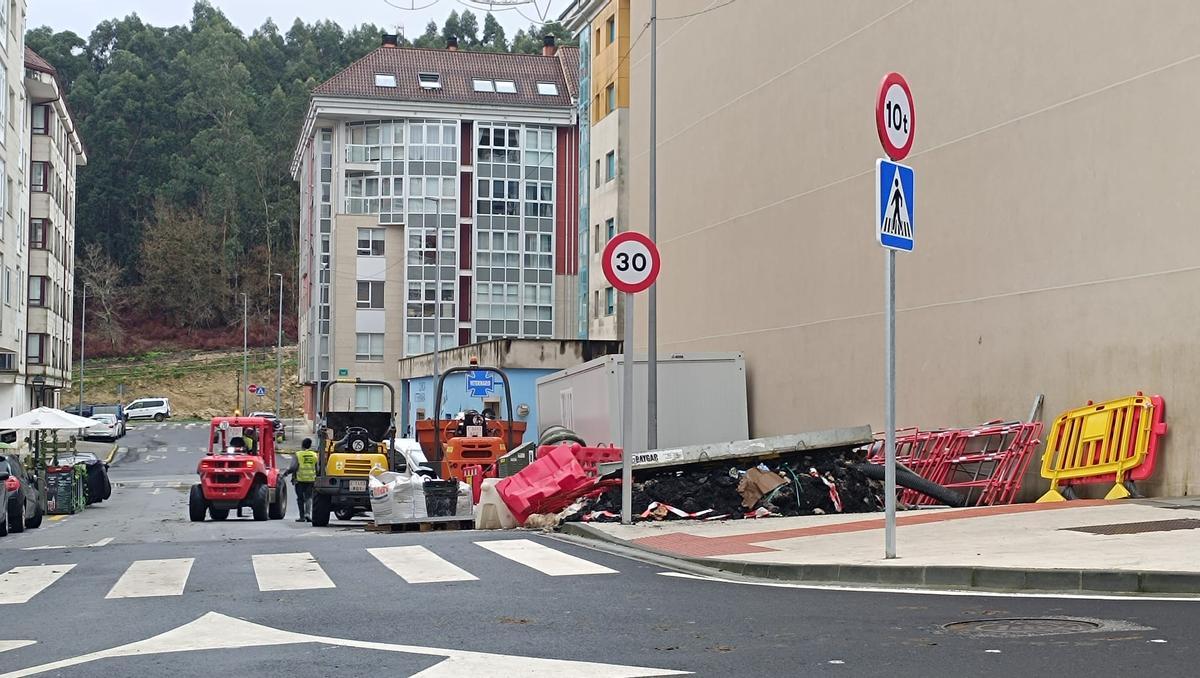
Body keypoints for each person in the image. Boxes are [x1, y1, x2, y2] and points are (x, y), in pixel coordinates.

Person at [285, 438, 318, 522]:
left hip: (299, 480)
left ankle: (302, 516)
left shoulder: (298, 454)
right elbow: (317, 468)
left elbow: (293, 467)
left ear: (302, 445)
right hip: (311, 479)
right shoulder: (314, 455)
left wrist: (286, 473)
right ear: (310, 445)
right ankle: (308, 514)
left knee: (300, 498)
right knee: (309, 497)